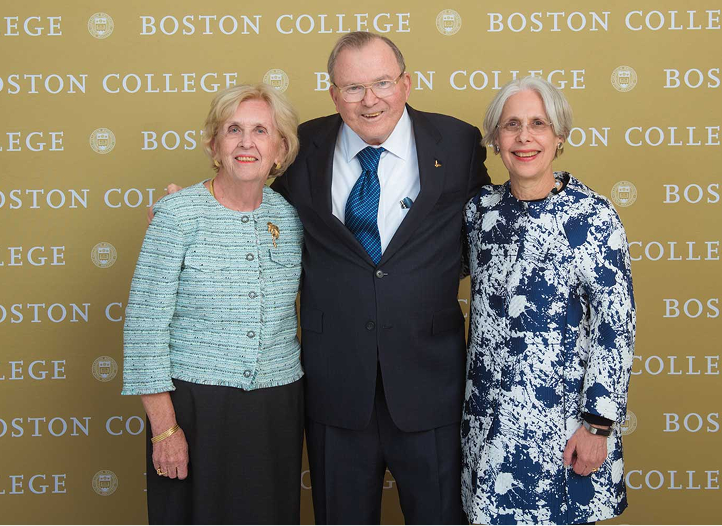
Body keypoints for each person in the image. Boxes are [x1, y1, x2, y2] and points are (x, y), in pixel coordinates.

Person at [270, 32, 490, 525]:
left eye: (382, 82)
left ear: (406, 83)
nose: (370, 100)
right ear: (333, 94)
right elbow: (253, 209)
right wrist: (188, 204)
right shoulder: (301, 149)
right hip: (336, 385)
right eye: (352, 88)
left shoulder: (456, 142)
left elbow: (493, 224)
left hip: (430, 383)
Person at [122, 83, 304, 526]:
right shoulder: (177, 214)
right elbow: (144, 326)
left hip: (276, 407)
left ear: (280, 149)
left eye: (261, 131)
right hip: (194, 408)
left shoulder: (292, 217)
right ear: (214, 146)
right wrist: (165, 428)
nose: (247, 143)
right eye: (233, 130)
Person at [461, 76, 636, 526]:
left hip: (565, 430)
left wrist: (598, 426)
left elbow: (615, 328)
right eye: (511, 125)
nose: (524, 137)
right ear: (495, 140)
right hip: (488, 426)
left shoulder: (593, 216)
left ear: (559, 137)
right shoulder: (479, 212)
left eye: (538, 124)